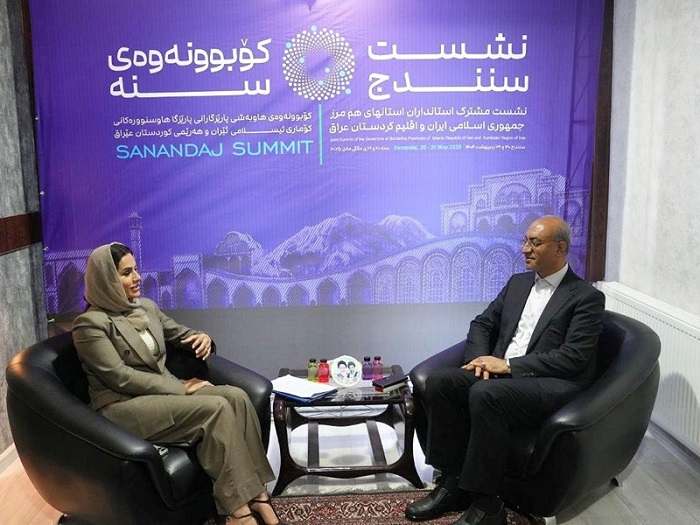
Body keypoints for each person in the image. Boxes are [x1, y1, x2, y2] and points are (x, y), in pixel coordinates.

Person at [405, 216, 605, 525]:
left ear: (560, 248)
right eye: (525, 241)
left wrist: (509, 365)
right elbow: (483, 323)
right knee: (441, 382)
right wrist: (480, 359)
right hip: (501, 374)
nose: (525, 249)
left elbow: (573, 358)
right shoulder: (518, 283)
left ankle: (487, 505)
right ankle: (452, 483)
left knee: (487, 394)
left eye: (534, 243)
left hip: (550, 381)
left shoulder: (586, 297)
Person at [72, 243, 283, 525]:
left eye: (136, 269)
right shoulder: (90, 325)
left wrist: (202, 337)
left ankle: (257, 495)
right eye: (126, 273)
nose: (137, 277)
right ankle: (236, 512)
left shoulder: (146, 307)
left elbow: (179, 333)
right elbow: (120, 377)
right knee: (216, 408)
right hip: (122, 406)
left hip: (162, 395)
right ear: (106, 279)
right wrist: (180, 388)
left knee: (236, 397)